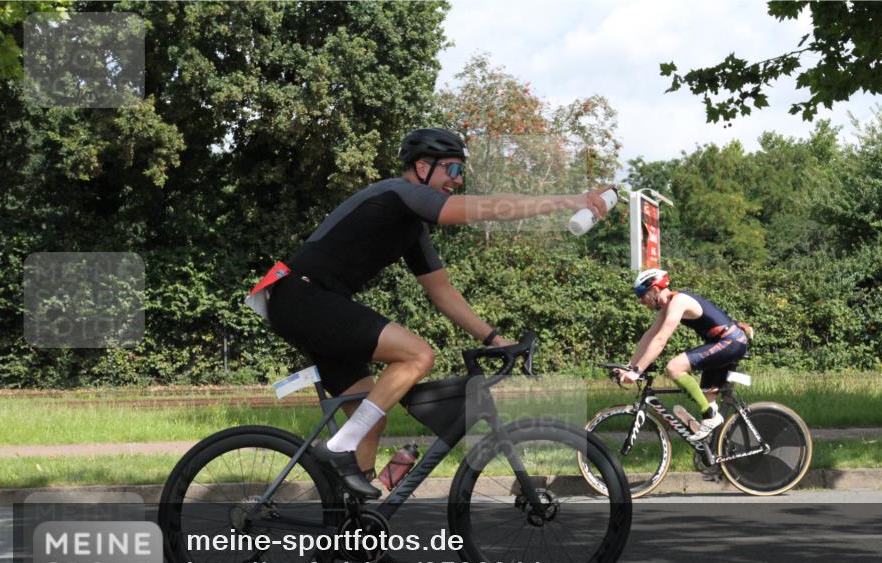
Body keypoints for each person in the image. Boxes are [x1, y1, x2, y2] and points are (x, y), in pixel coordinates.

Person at [263, 128, 612, 498]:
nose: (457, 181)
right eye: (452, 170)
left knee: (370, 419)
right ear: (422, 167)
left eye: (461, 173)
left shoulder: (411, 227)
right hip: (302, 296)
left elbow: (443, 293)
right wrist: (568, 200)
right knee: (417, 354)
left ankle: (353, 524)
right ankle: (338, 448)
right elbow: (488, 209)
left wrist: (494, 339)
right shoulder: (399, 193)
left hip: (310, 302)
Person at [616, 268, 750, 442]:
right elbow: (649, 336)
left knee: (674, 367)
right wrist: (629, 366)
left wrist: (637, 371)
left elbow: (660, 340)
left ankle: (710, 416)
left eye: (641, 294)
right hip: (722, 343)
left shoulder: (678, 302)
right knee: (706, 399)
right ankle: (715, 449)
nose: (640, 301)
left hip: (730, 342)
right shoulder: (668, 306)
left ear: (655, 289)